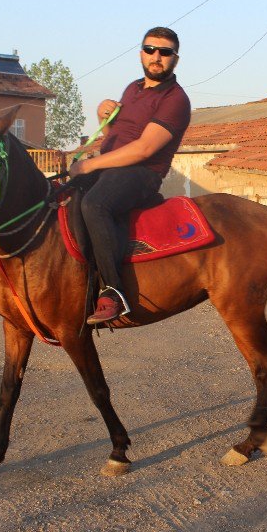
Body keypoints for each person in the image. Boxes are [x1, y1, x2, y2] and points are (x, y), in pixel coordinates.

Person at [68, 27, 191, 324]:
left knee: (95, 205)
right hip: (112, 168)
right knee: (63, 200)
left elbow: (144, 149)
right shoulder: (132, 89)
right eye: (150, 49)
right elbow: (115, 139)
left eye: (165, 52)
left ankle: (114, 292)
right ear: (141, 53)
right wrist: (102, 117)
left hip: (141, 174)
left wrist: (88, 165)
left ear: (175, 59)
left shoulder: (176, 99)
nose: (156, 57)